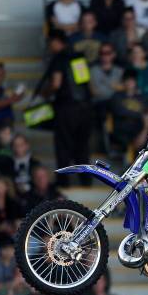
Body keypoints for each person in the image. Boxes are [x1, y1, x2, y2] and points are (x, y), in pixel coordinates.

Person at [45, 30, 91, 187]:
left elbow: (56, 84)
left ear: (57, 42)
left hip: (66, 108)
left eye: (50, 43)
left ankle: (63, 182)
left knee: (63, 146)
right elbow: (84, 83)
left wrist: (46, 93)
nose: (49, 47)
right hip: (84, 109)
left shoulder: (58, 58)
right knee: (82, 146)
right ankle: (86, 181)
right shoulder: (77, 57)